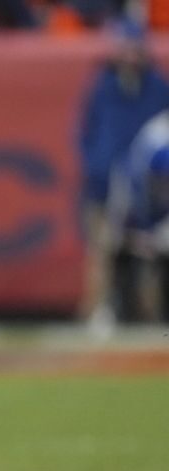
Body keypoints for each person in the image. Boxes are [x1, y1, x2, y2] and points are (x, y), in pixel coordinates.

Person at [76, 18, 169, 332]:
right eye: (125, 46)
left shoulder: (156, 86)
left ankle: (152, 317)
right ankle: (97, 313)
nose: (130, 53)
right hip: (105, 182)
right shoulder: (103, 85)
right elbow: (85, 131)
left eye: (134, 46)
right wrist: (95, 166)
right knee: (102, 248)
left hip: (147, 189)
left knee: (150, 251)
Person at [107, 109, 169, 322]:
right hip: (135, 203)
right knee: (119, 248)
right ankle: (117, 309)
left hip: (156, 207)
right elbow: (140, 191)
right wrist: (146, 231)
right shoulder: (156, 140)